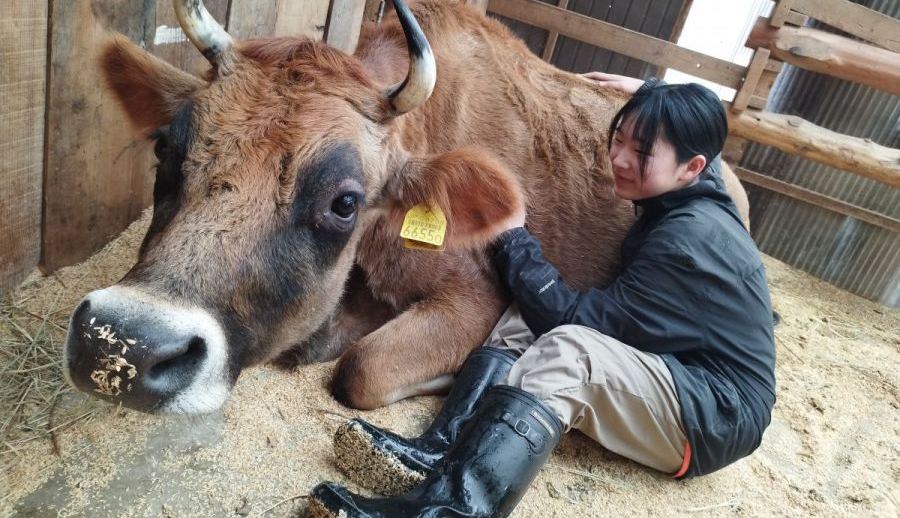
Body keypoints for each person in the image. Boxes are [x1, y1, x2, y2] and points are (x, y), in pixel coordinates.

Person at [307, 74, 777, 518]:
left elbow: (570, 321)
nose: (620, 159)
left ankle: (449, 506)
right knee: (520, 314)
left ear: (690, 168)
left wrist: (513, 237)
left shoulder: (686, 240)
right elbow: (705, 148)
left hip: (713, 410)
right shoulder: (694, 186)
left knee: (569, 353)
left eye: (643, 151)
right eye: (620, 141)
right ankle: (438, 448)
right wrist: (652, 95)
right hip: (678, 369)